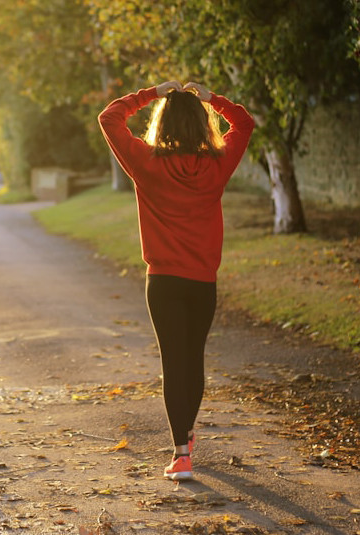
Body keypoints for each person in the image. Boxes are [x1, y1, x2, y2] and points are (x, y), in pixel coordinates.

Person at [98, 80, 255, 480]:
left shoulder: (146, 162)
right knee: (193, 359)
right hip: (202, 281)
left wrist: (151, 93)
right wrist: (212, 99)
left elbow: (109, 118)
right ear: (203, 125)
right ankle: (184, 436)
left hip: (163, 282)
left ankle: (181, 452)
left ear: (162, 124)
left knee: (174, 362)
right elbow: (245, 122)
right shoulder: (218, 164)